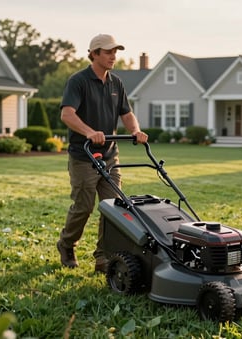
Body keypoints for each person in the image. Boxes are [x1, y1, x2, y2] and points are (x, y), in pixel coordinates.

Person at [57, 34, 148, 273]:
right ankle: (66, 244)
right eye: (108, 52)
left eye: (115, 52)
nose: (113, 56)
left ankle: (103, 257)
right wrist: (89, 132)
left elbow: (126, 113)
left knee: (112, 209)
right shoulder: (78, 81)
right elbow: (67, 114)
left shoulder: (116, 83)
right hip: (83, 156)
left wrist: (136, 131)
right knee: (84, 207)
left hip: (109, 156)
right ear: (94, 53)